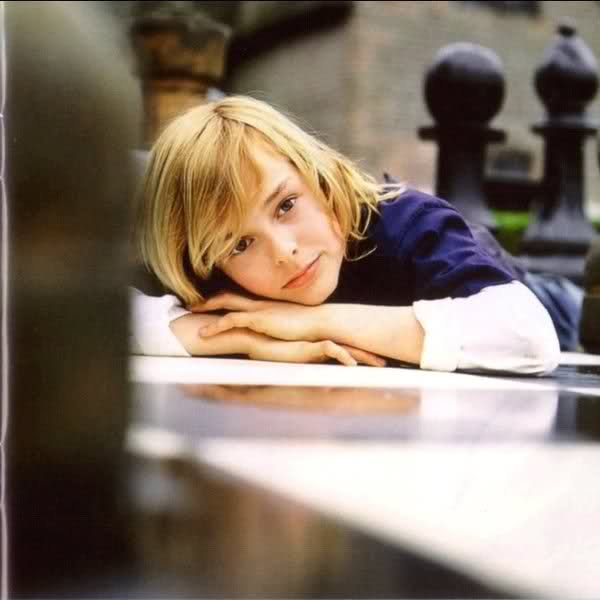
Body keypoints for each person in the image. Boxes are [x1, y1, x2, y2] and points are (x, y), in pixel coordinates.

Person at [131, 95, 563, 374]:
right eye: (241, 244)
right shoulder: (216, 272)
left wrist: (311, 322)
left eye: (286, 205)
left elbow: (528, 338)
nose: (284, 251)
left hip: (540, 294)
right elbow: (108, 318)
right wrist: (248, 336)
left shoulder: (407, 223)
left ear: (317, 176)